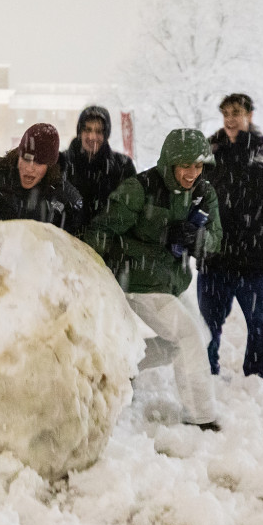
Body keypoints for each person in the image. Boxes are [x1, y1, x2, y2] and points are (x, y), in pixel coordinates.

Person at [84, 128, 222, 431]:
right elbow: (98, 234)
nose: (192, 173)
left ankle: (125, 367)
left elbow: (217, 239)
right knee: (188, 337)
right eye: (185, 165)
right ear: (169, 162)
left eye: (198, 166)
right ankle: (201, 417)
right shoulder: (140, 189)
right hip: (137, 281)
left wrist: (197, 237)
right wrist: (147, 244)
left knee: (197, 336)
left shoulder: (203, 193)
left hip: (173, 281)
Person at [197, 93, 263, 384]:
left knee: (260, 324)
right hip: (215, 256)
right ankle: (204, 372)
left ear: (249, 116)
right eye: (226, 113)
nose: (230, 119)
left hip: (254, 257)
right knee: (206, 324)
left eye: (237, 112)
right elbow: (191, 197)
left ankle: (260, 375)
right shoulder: (208, 153)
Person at [0, 123, 84, 234]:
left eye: (38, 162)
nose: (29, 168)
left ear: (50, 166)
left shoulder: (64, 199)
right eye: (26, 159)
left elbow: (69, 241)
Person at [60, 105, 136, 229]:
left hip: (108, 243)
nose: (92, 137)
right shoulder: (61, 163)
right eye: (88, 130)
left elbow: (130, 208)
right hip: (66, 242)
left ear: (106, 135)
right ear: (80, 132)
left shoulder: (122, 166)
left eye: (99, 131)